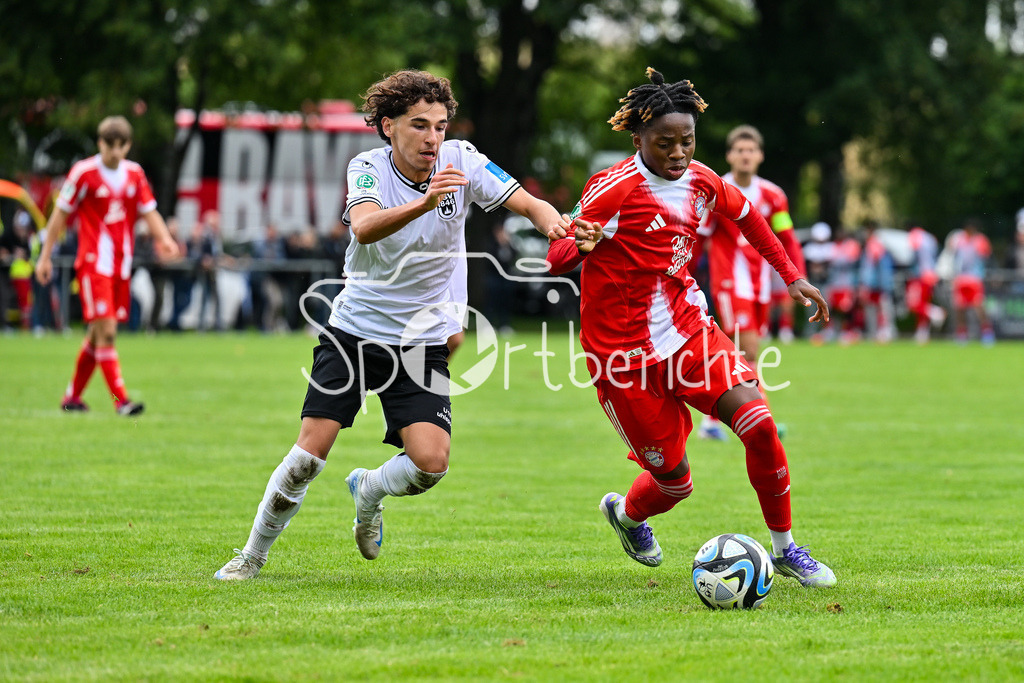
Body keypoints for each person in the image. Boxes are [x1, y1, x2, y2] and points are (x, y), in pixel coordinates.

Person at [214, 69, 568, 580]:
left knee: (431, 464)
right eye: (419, 125)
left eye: (441, 126)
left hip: (419, 341)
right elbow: (363, 225)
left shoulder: (461, 160)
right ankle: (252, 556)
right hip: (355, 331)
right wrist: (423, 202)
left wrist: (554, 223)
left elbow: (528, 202)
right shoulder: (368, 167)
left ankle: (369, 489)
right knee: (308, 456)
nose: (433, 138)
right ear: (387, 127)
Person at [546, 68, 836, 587]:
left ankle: (787, 549)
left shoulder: (702, 180)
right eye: (665, 144)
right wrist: (579, 246)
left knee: (760, 424)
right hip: (622, 358)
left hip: (689, 332)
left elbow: (749, 218)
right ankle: (628, 517)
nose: (679, 153)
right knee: (674, 485)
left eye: (687, 141)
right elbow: (557, 253)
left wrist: (792, 277)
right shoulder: (611, 188)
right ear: (639, 140)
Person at [35, 115, 178, 415]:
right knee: (108, 331)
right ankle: (121, 401)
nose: (115, 151)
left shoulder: (135, 174)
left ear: (127, 145)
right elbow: (59, 216)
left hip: (120, 266)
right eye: (109, 145)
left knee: (96, 334)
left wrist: (164, 238)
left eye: (120, 145)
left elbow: (149, 211)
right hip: (93, 265)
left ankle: (72, 397)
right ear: (100, 143)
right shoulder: (83, 173)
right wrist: (45, 256)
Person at [692, 125, 805, 441]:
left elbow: (787, 238)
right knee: (749, 351)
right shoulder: (716, 194)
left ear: (760, 156)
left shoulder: (773, 196)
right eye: (739, 150)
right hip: (729, 284)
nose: (745, 155)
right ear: (729, 156)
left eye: (750, 150)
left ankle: (710, 421)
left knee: (736, 354)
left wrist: (798, 276)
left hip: (760, 285)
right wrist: (685, 274)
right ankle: (763, 418)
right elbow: (699, 239)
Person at [945, 217, 994, 344]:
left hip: (974, 279)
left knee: (979, 306)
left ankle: (987, 332)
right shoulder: (958, 239)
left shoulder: (980, 240)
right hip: (961, 279)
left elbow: (986, 255)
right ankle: (962, 334)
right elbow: (951, 256)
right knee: (960, 308)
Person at [857, 220, 895, 343]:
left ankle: (883, 331)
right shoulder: (878, 243)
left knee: (879, 308)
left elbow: (873, 264)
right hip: (879, 283)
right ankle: (879, 331)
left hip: (877, 284)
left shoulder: (874, 244)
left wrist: (866, 283)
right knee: (877, 308)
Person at [904, 223, 943, 344]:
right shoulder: (930, 238)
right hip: (932, 274)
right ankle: (922, 333)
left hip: (921, 275)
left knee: (913, 303)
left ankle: (935, 312)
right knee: (923, 302)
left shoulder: (914, 236)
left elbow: (910, 256)